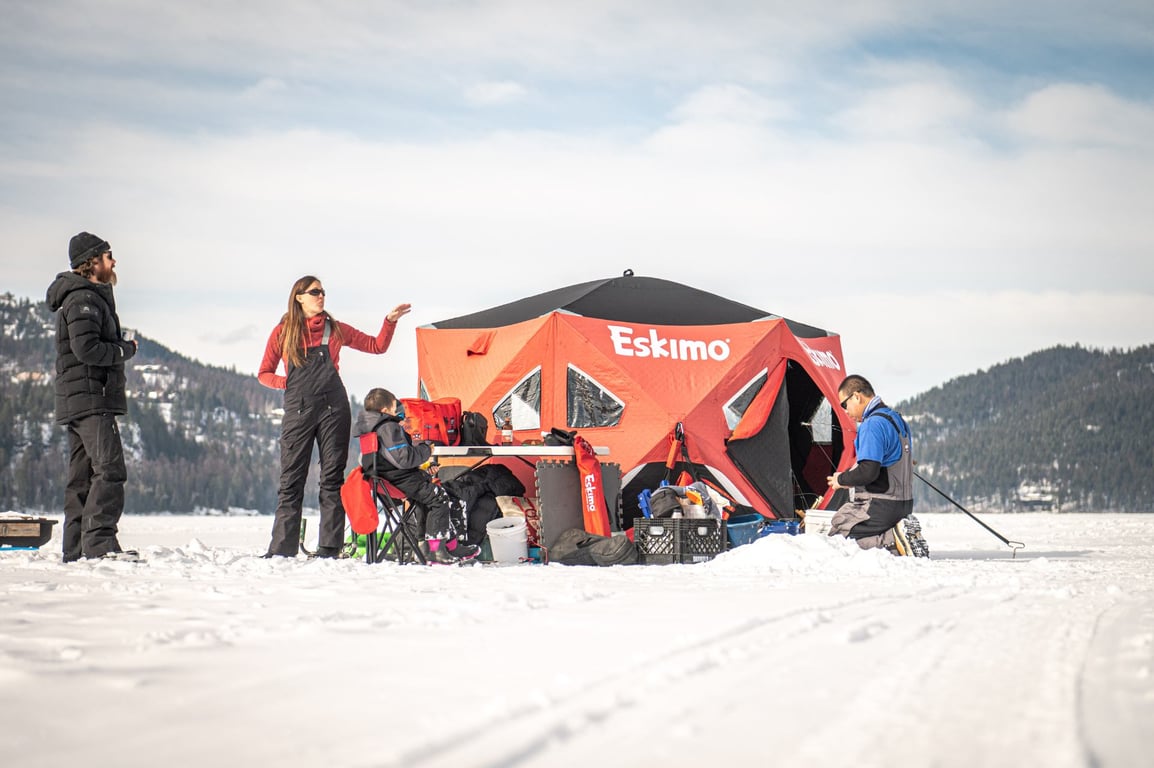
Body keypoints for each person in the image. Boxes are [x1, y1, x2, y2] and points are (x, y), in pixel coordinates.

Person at [258, 276, 411, 558]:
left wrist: (389, 321)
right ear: (299, 298)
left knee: (331, 479)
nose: (321, 296)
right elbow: (264, 373)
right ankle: (281, 548)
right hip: (298, 410)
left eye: (323, 292)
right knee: (291, 479)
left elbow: (377, 346)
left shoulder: (335, 329)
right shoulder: (282, 332)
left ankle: (330, 547)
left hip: (333, 409)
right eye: (315, 292)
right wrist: (286, 383)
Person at [45, 231, 138, 562]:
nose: (114, 261)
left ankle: (76, 549)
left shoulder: (82, 297)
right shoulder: (83, 299)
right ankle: (99, 546)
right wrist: (124, 349)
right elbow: (87, 349)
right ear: (93, 262)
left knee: (82, 478)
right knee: (110, 470)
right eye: (109, 255)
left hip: (79, 401)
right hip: (91, 399)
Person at [357, 388, 480, 564]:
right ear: (384, 411)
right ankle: (437, 551)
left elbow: (387, 462)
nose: (397, 412)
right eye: (394, 408)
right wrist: (424, 450)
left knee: (429, 498)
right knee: (439, 498)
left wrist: (421, 472)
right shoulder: (387, 427)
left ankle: (431, 548)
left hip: (388, 481)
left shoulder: (370, 430)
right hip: (399, 481)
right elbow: (404, 459)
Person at [826, 374, 928, 556]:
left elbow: (868, 472)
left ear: (857, 396)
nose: (845, 411)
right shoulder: (897, 420)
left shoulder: (872, 424)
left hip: (880, 505)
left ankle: (892, 539)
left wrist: (841, 479)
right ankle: (900, 537)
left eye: (844, 404)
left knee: (838, 535)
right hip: (903, 505)